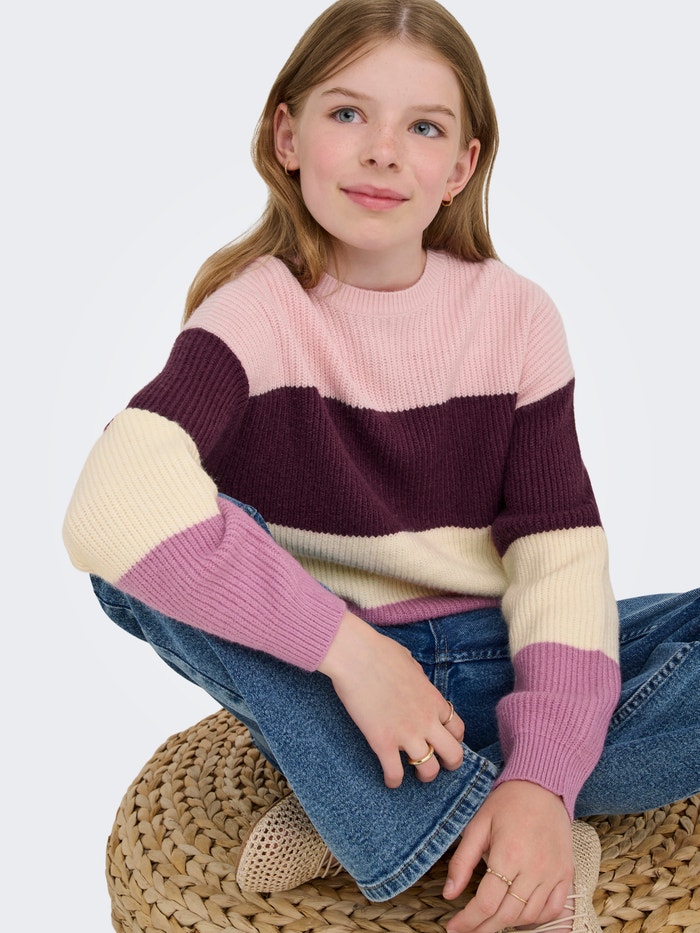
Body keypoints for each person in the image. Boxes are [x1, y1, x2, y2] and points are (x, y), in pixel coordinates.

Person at [63, 2, 700, 932]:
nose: (384, 152)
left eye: (424, 128)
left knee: (599, 636)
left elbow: (558, 560)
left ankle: (394, 803)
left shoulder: (518, 318)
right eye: (348, 113)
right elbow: (108, 504)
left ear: (462, 167)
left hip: (491, 651)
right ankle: (419, 812)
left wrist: (543, 777)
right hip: (334, 687)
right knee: (135, 562)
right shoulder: (252, 314)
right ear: (287, 135)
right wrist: (356, 655)